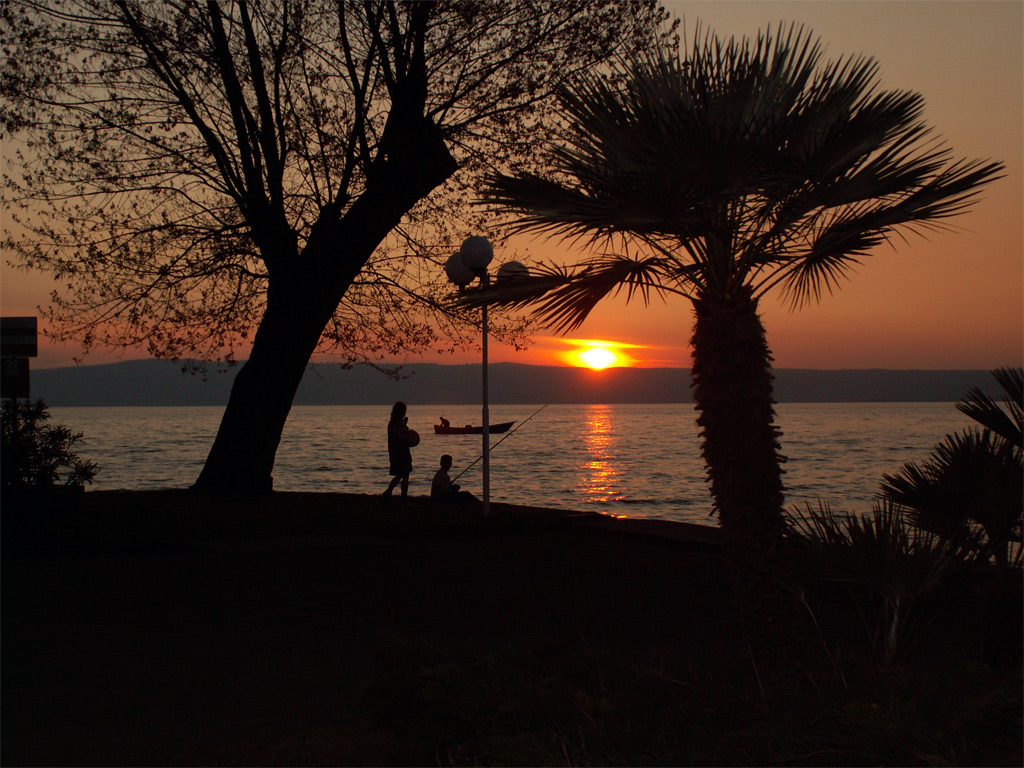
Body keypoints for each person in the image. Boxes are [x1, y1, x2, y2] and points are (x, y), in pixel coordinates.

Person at [384, 401, 414, 502]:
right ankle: (403, 497)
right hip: (402, 453)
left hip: (394, 453)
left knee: (399, 475)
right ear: (401, 412)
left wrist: (404, 423)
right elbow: (402, 436)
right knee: (405, 476)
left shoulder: (391, 423)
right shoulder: (399, 424)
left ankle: (389, 492)